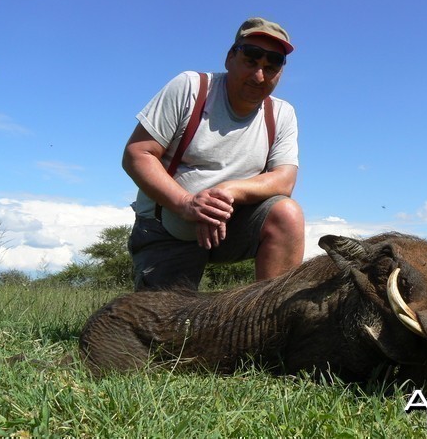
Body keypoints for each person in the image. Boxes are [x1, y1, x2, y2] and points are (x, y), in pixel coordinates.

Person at [122, 17, 305, 291]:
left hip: (230, 228)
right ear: (230, 57)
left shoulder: (282, 113)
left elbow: (284, 180)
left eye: (271, 67)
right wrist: (186, 204)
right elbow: (137, 154)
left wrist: (226, 191)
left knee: (287, 214)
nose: (259, 76)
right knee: (164, 331)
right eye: (250, 61)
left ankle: (273, 325)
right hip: (169, 229)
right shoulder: (190, 88)